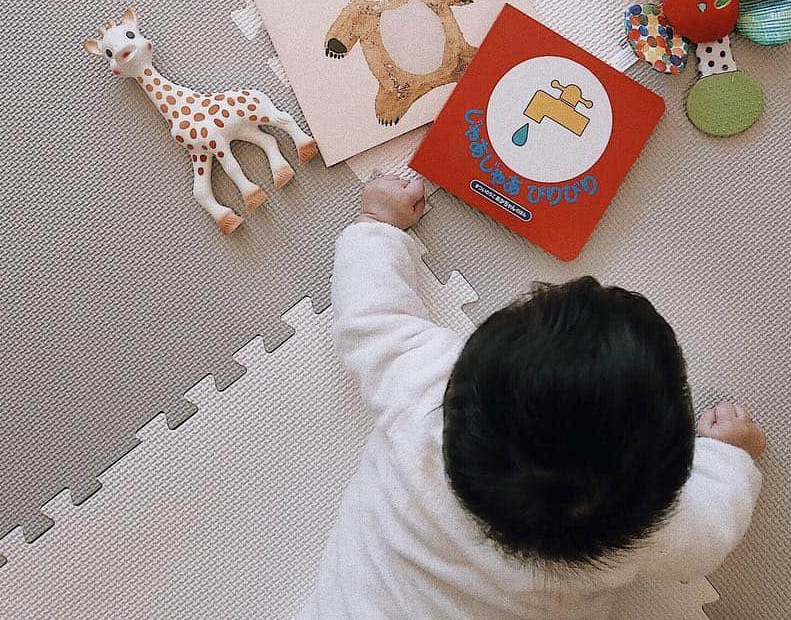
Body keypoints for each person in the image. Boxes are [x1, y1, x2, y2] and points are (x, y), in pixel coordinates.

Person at [301, 176, 765, 619]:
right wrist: (729, 457)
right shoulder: (651, 534)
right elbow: (713, 528)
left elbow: (371, 316)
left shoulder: (424, 394)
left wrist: (377, 225)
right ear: (669, 476)